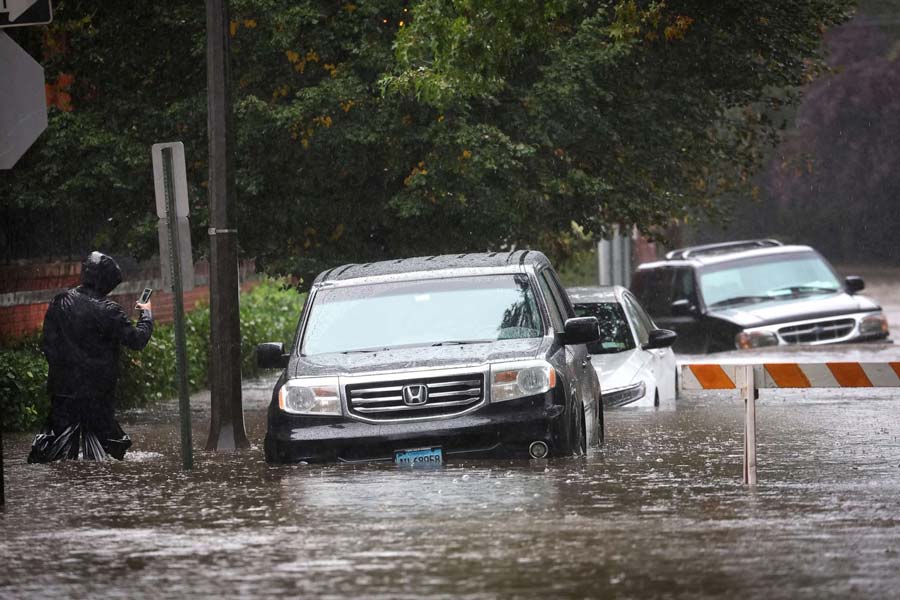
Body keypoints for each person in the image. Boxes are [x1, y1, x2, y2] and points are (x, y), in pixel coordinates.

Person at [27, 251, 154, 462]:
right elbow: (137, 340)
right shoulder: (109, 310)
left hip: (63, 392)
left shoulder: (59, 302)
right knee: (108, 454)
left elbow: (48, 344)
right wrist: (146, 313)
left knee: (58, 454)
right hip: (97, 396)